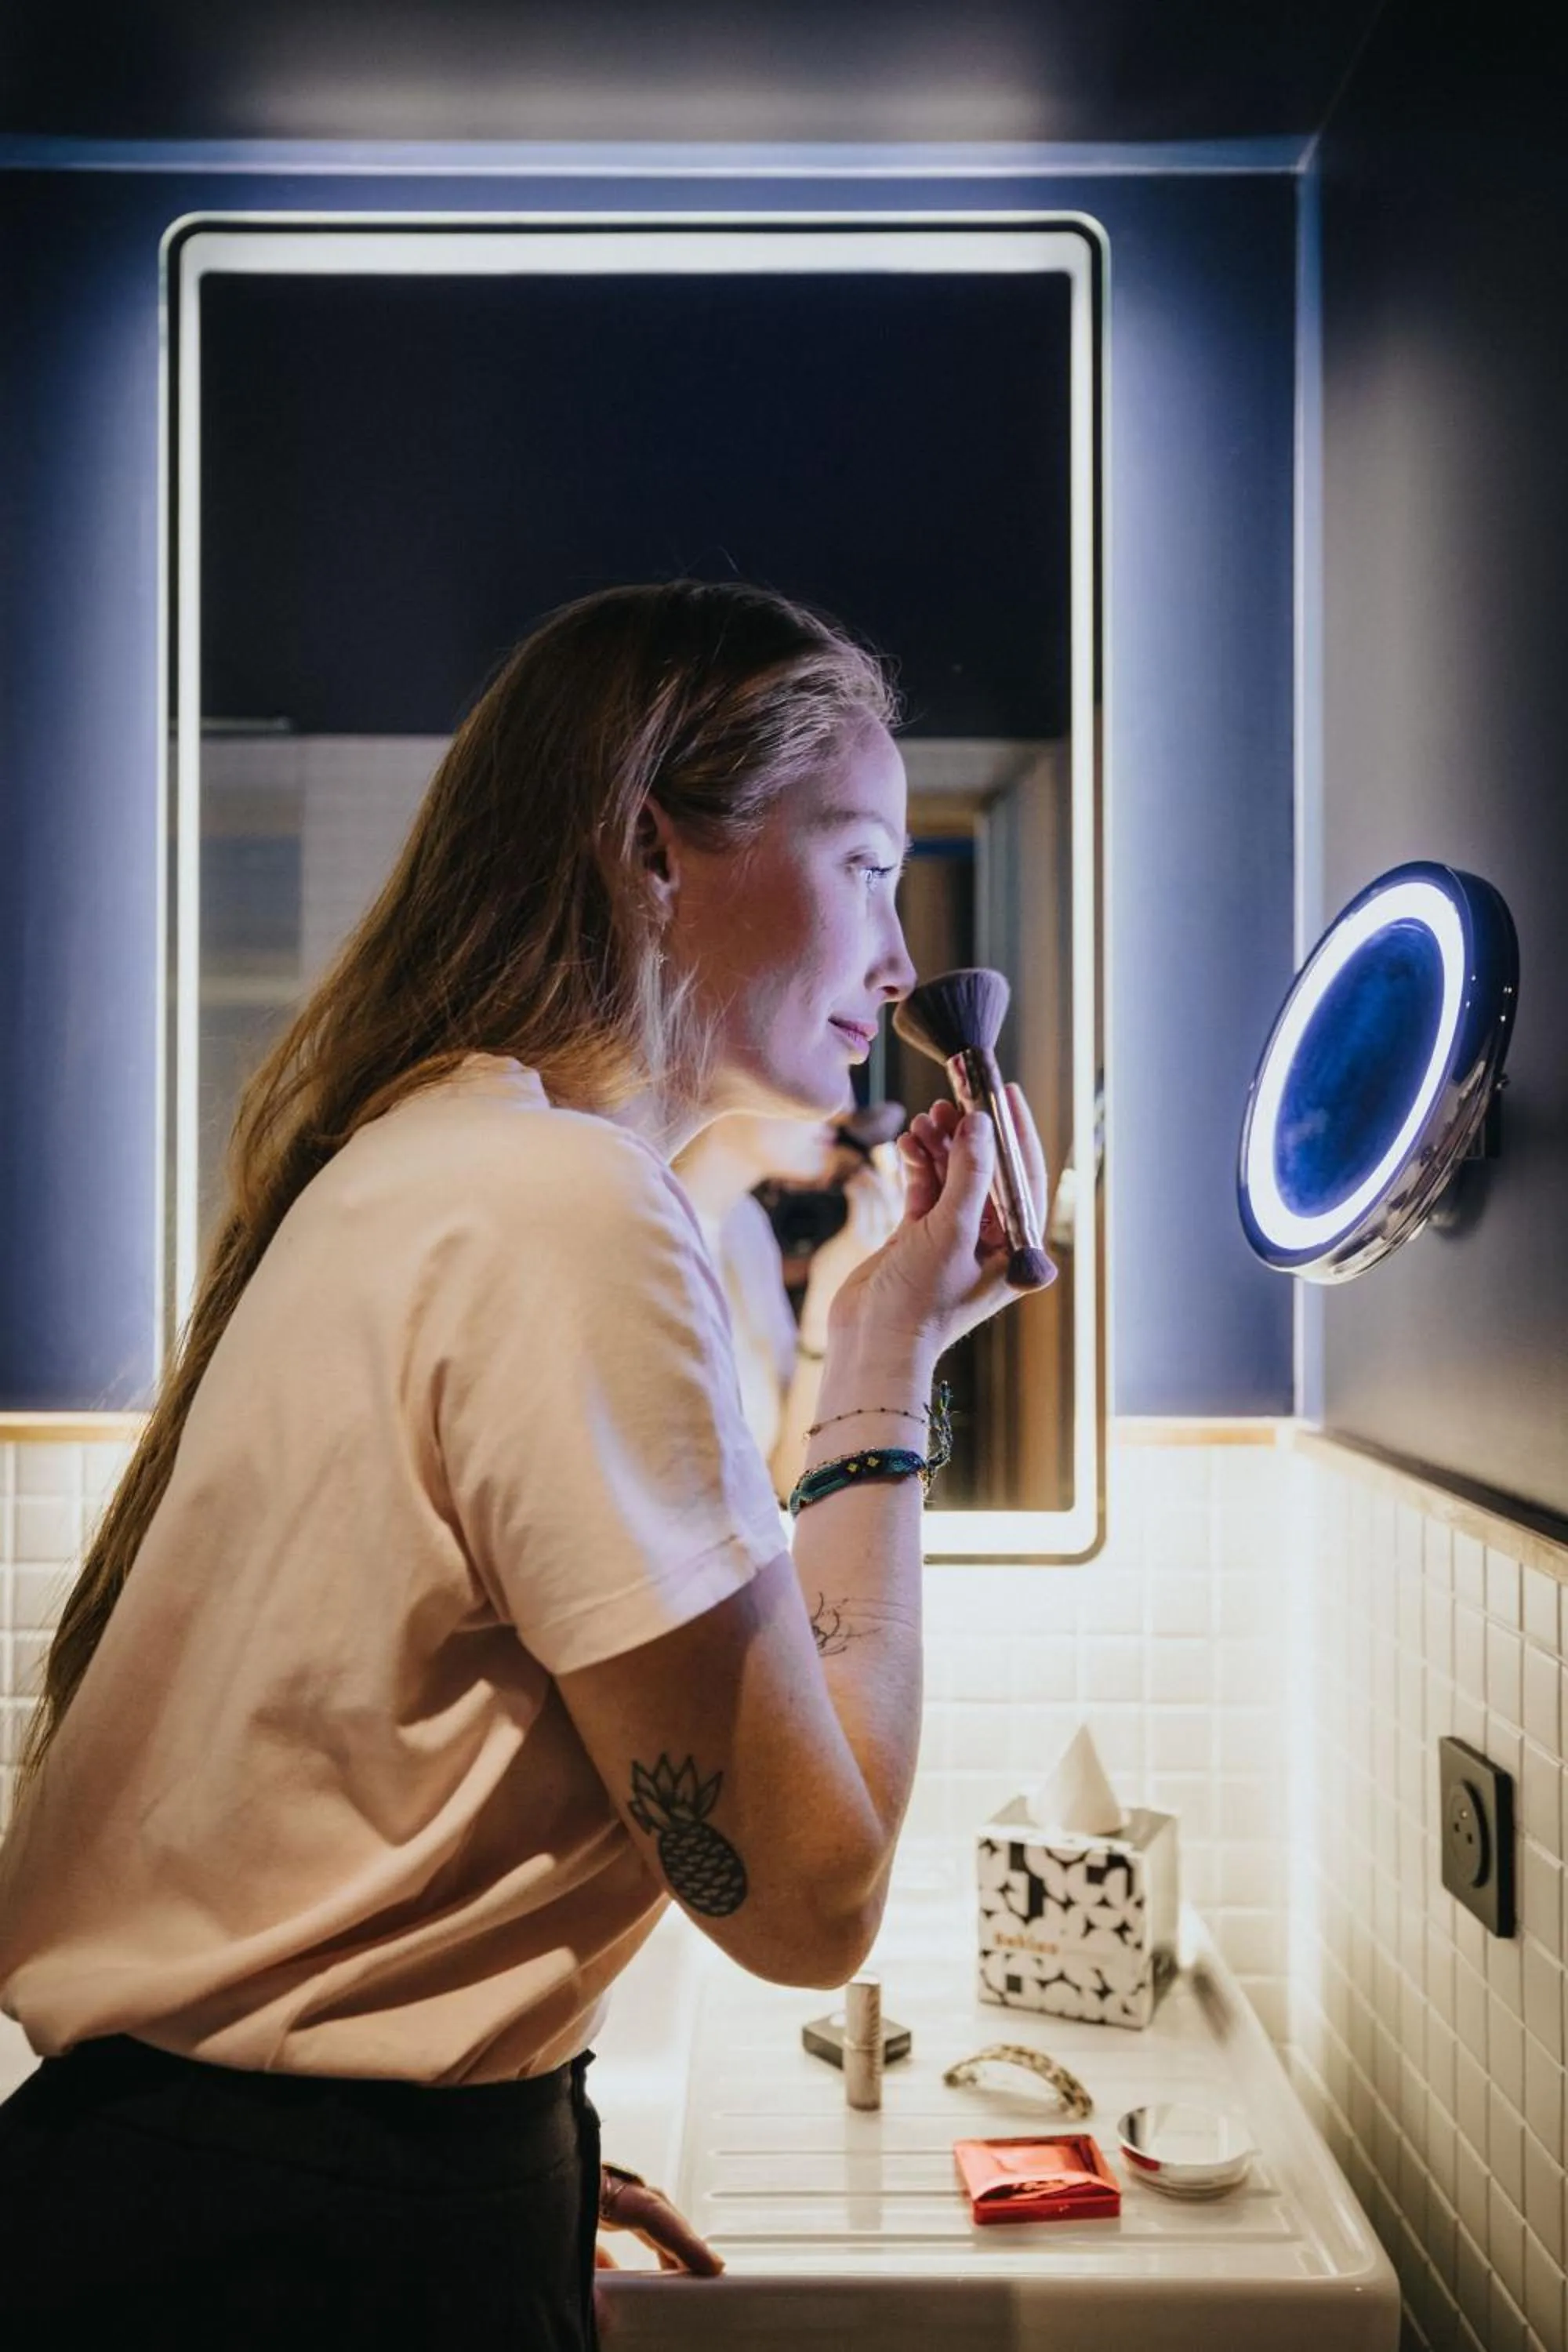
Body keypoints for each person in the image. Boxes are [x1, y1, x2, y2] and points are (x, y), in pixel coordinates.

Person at [0, 579, 1046, 2347]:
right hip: (278, 2260)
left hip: (196, 2203)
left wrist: (505, 2156)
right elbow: (808, 1898)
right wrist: (878, 1363)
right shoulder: (569, 1208)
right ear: (652, 846)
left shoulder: (437, 1150)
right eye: (863, 860)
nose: (893, 954)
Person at [672, 1109, 906, 1499]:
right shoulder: (633, 1230)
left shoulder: (745, 1226)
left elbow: (790, 1481)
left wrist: (829, 1299)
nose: (842, 1108)